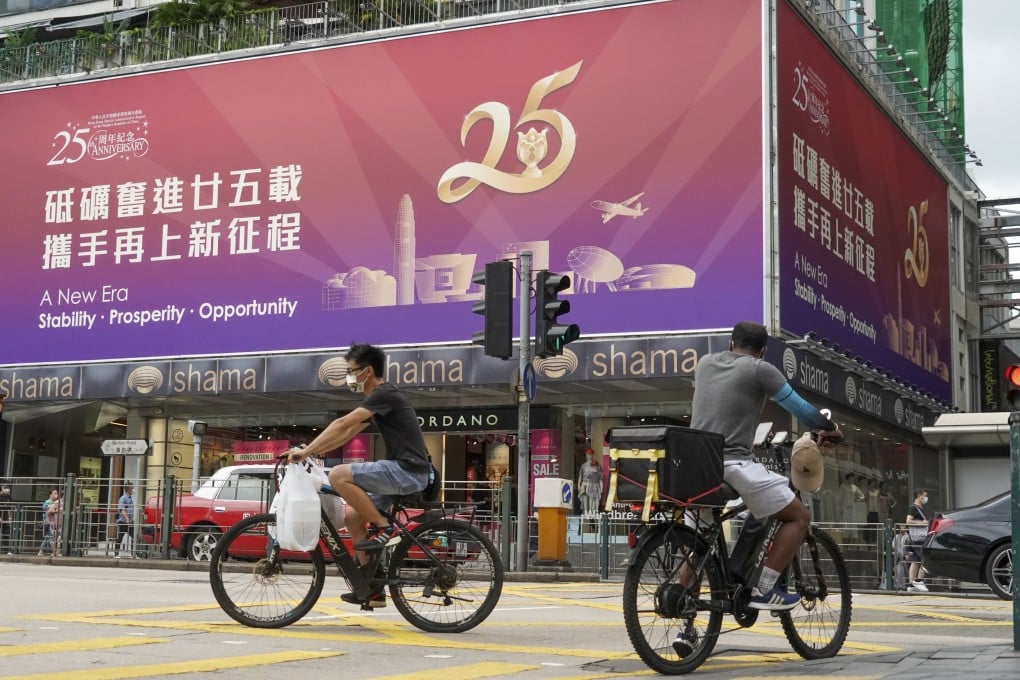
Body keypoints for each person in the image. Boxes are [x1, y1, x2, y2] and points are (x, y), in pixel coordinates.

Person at [691, 321, 840, 614]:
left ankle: (685, 622)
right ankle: (765, 587)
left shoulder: (705, 363)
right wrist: (830, 428)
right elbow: (801, 409)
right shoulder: (760, 369)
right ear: (762, 351)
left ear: (730, 343)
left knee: (698, 543)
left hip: (695, 463)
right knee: (799, 515)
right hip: (732, 462)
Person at [288, 344, 431, 609]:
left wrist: (306, 450)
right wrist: (311, 452)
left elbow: (341, 423)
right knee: (353, 518)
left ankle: (385, 528)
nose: (348, 377)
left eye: (351, 371)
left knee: (339, 475)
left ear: (367, 372)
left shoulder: (384, 393)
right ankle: (372, 589)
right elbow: (346, 433)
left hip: (408, 471)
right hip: (403, 471)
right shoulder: (379, 400)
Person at [905, 488, 929, 592]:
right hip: (918, 539)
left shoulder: (919, 508)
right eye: (925, 495)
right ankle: (919, 580)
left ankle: (911, 585)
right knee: (926, 560)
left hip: (916, 538)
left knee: (915, 561)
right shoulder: (913, 508)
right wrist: (922, 523)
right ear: (919, 496)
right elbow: (908, 521)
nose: (926, 498)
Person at [577, 449, 603, 522]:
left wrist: (600, 487)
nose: (590, 456)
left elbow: (600, 477)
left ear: (593, 455)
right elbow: (580, 476)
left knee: (594, 500)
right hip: (585, 483)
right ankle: (586, 512)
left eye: (591, 454)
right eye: (588, 454)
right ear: (586, 454)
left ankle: (594, 513)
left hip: (594, 484)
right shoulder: (583, 466)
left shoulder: (597, 465)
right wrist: (579, 485)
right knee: (585, 497)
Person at [38, 488, 62, 556]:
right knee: (51, 536)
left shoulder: (57, 502)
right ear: (50, 495)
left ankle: (40, 551)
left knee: (48, 536)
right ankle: (55, 552)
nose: (56, 495)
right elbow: (45, 509)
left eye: (57, 493)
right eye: (54, 493)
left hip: (53, 522)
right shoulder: (48, 502)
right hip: (48, 521)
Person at [116, 483, 136, 558]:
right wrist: (127, 519)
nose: (133, 490)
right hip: (123, 522)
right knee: (120, 537)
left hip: (130, 521)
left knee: (134, 537)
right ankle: (116, 554)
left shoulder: (130, 498)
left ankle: (133, 554)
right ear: (128, 489)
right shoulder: (123, 498)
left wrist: (131, 520)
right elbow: (121, 510)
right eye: (132, 488)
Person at [0, 480, 12, 555]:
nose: (7, 489)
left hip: (5, 518)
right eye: (5, 487)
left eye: (8, 487)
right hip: (0, 517)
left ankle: (7, 550)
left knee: (6, 534)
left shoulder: (7, 496)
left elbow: (9, 507)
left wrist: (10, 517)